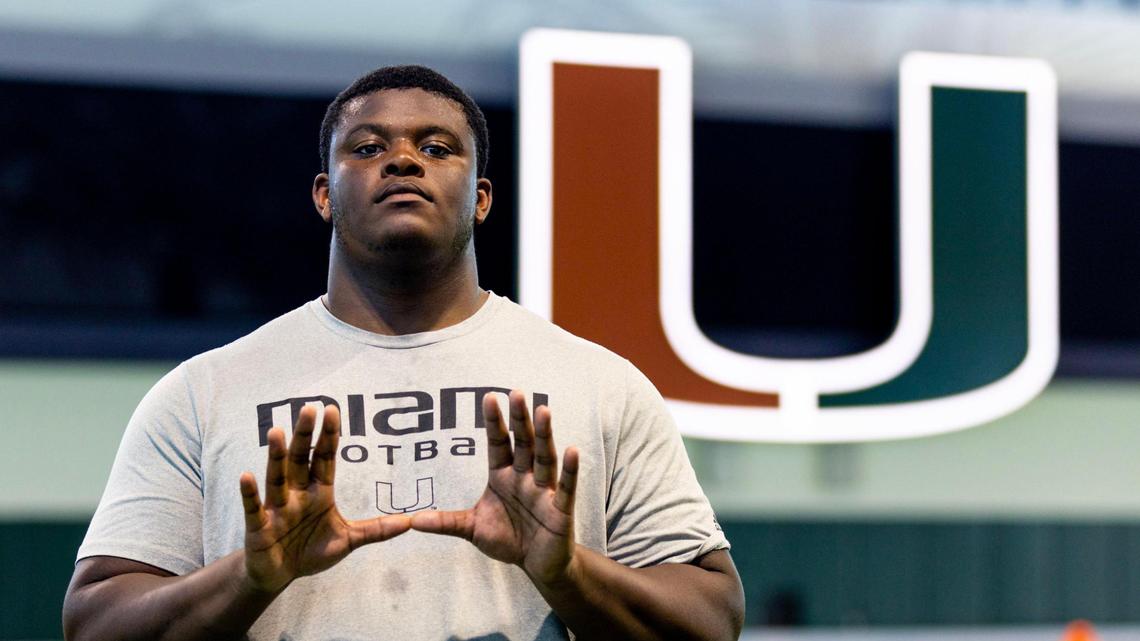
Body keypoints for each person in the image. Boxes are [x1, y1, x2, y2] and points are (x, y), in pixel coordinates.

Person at [62, 65, 745, 641]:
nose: (403, 160)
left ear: (481, 199)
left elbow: (713, 617)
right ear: (324, 195)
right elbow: (93, 621)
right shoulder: (204, 392)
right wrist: (249, 575)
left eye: (438, 147)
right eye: (367, 148)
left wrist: (568, 572)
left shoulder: (599, 384)